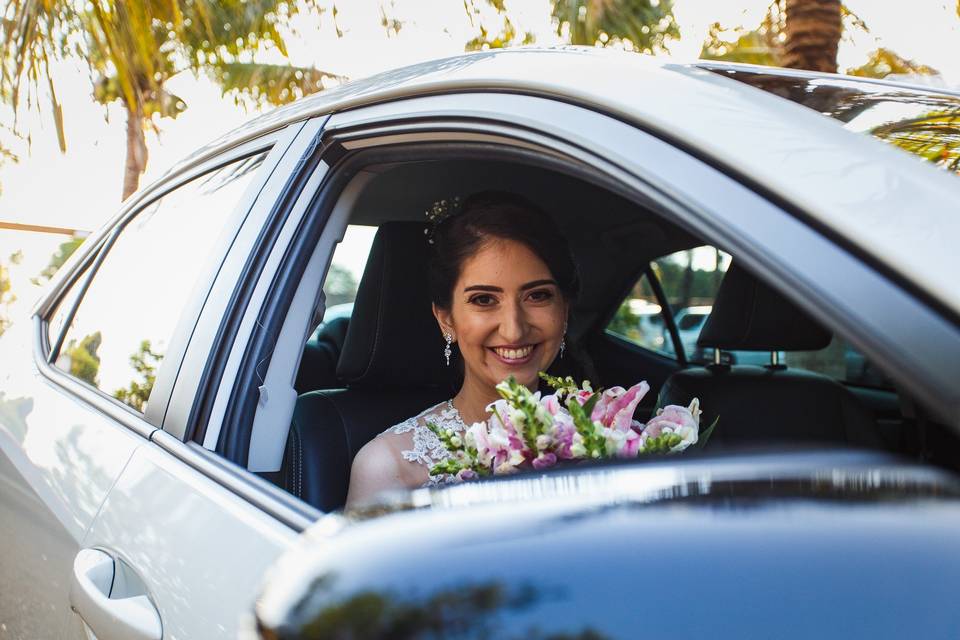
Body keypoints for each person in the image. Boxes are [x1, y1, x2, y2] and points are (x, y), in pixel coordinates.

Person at [344, 191, 580, 507]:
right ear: (446, 319)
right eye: (484, 300)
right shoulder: (390, 467)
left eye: (537, 296)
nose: (514, 329)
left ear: (564, 311)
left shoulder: (608, 439)